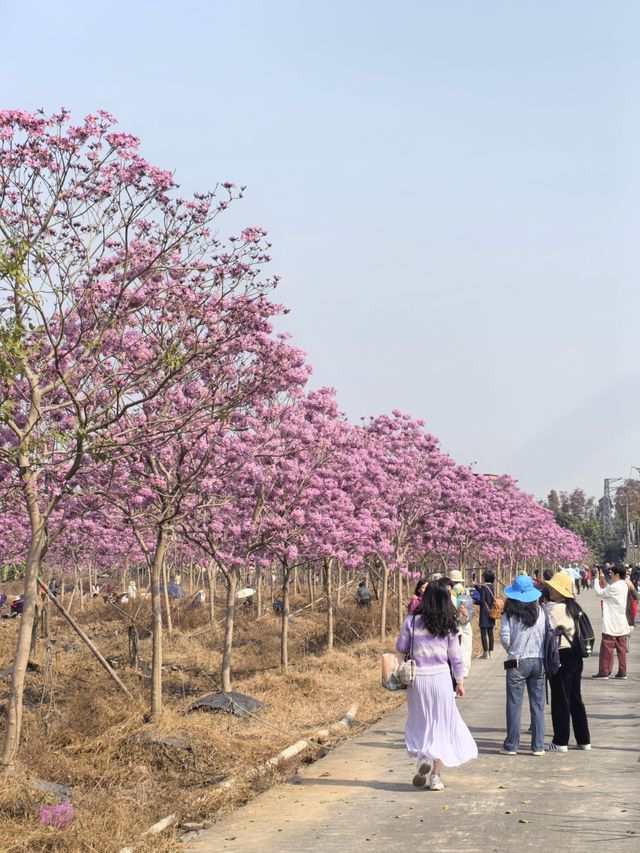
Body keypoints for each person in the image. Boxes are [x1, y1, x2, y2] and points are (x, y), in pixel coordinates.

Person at [395, 581, 477, 791]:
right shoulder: (449, 624)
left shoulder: (412, 621)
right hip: (441, 679)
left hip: (418, 681)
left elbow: (401, 648)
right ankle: (435, 777)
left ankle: (422, 757)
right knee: (441, 726)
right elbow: (456, 657)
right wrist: (459, 681)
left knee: (420, 721)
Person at [498, 574, 546, 756]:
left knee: (514, 704)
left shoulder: (509, 613)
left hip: (516, 661)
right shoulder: (542, 611)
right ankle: (538, 745)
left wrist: (512, 649)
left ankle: (511, 745)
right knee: (538, 704)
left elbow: (504, 636)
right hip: (539, 660)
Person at [543, 572, 591, 751]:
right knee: (575, 697)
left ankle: (561, 740)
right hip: (576, 656)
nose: (549, 590)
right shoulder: (575, 607)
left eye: (552, 588)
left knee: (560, 698)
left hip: (561, 656)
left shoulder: (555, 609)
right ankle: (584, 739)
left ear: (559, 590)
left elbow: (545, 629)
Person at [592, 564, 631, 679]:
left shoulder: (615, 587)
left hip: (611, 622)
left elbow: (600, 592)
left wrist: (595, 580)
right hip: (621, 622)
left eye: (611, 574)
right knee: (621, 649)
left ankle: (604, 672)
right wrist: (603, 579)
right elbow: (609, 589)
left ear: (617, 575)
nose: (610, 575)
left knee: (606, 648)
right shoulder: (623, 585)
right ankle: (622, 672)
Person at [448, 570, 473, 679]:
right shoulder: (466, 591)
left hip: (454, 623)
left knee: (455, 648)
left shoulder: (450, 594)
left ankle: (456, 671)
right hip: (466, 622)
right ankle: (465, 671)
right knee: (466, 648)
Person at [475, 569, 497, 658]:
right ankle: (491, 652)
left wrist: (475, 601)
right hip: (492, 612)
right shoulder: (491, 586)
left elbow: (482, 600)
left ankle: (485, 653)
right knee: (490, 633)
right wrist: (476, 587)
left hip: (484, 613)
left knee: (483, 633)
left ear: (485, 577)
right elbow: (485, 594)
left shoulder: (484, 587)